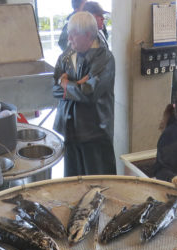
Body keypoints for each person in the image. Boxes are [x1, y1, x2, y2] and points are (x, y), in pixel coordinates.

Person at [53, 11, 116, 177]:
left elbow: (89, 93)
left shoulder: (105, 59)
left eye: (74, 35)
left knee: (97, 181)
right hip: (70, 130)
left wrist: (67, 83)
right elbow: (54, 88)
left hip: (94, 132)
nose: (69, 39)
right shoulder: (67, 56)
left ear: (88, 35)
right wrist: (70, 84)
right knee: (73, 179)